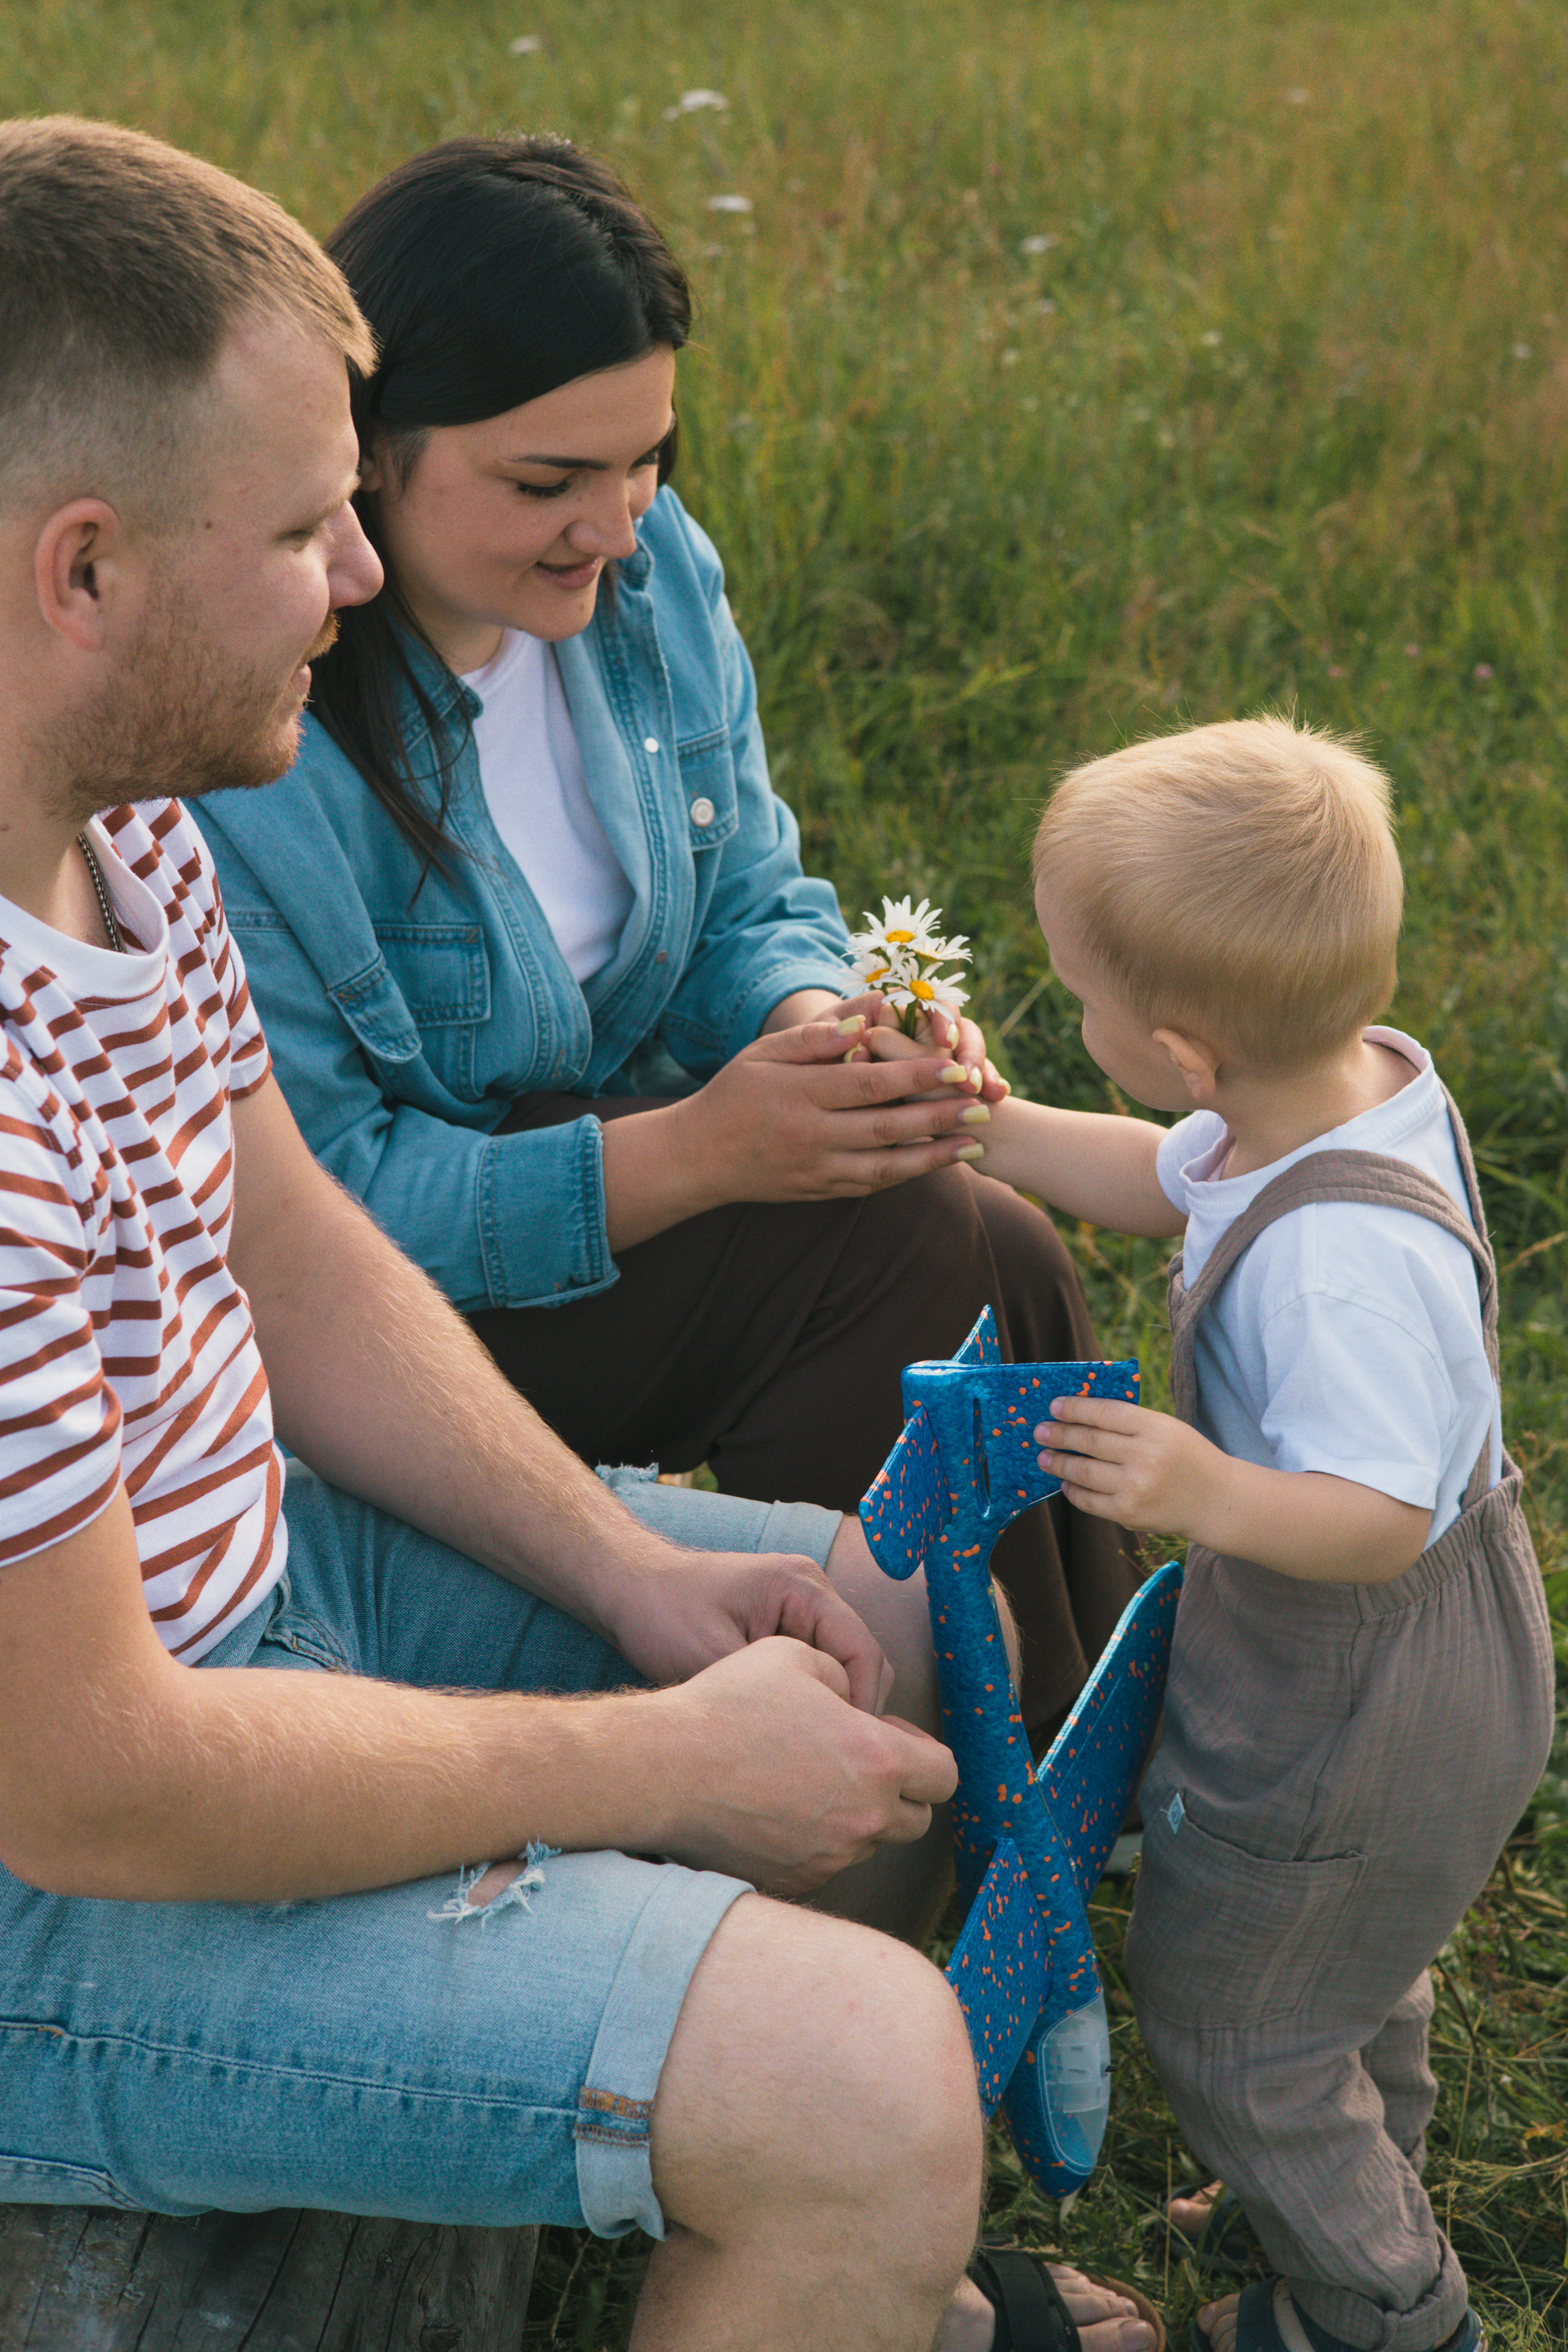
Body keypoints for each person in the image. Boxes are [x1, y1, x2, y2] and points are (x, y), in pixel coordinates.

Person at [0, 115, 1166, 2352]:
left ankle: (796, 2241)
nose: (358, 582)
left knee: (863, 1631)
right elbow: (97, 1783)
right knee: (870, 2078)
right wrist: (650, 1756)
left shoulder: (124, 820)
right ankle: (852, 2213)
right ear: (82, 569)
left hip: (255, 1583)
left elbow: (292, 1238)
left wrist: (632, 1578)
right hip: (59, 1884)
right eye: (305, 526)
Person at [190, 134, 1140, 1746]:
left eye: (645, 461)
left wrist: (821, 1024)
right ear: (367, 456)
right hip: (380, 1344)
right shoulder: (254, 750)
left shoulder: (647, 584)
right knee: (890, 1245)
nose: (614, 528)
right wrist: (707, 1152)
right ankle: (881, 1761)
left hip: (604, 1211)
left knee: (1011, 1251)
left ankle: (1080, 1753)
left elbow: (748, 900)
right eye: (545, 483)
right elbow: (317, 1215)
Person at [948, 717, 1555, 2352]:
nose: (1068, 1019)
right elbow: (1170, 1175)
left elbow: (1373, 1516)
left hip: (1367, 1673)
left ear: (1190, 1046)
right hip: (1425, 1665)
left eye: (1081, 1001)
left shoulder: (1335, 1263)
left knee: (1232, 2011)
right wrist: (993, 1130)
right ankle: (1342, 2160)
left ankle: (1378, 2304)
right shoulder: (1330, 1093)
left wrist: (1199, 1490)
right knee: (1350, 1939)